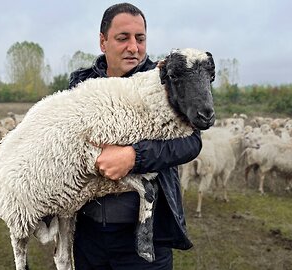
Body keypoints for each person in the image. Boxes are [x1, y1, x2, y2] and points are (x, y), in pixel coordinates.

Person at [68, 3, 203, 269]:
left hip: (146, 238)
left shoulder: (166, 82)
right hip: (88, 235)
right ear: (103, 41)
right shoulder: (79, 85)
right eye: (123, 38)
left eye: (140, 39)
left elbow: (192, 141)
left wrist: (134, 157)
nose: (134, 47)